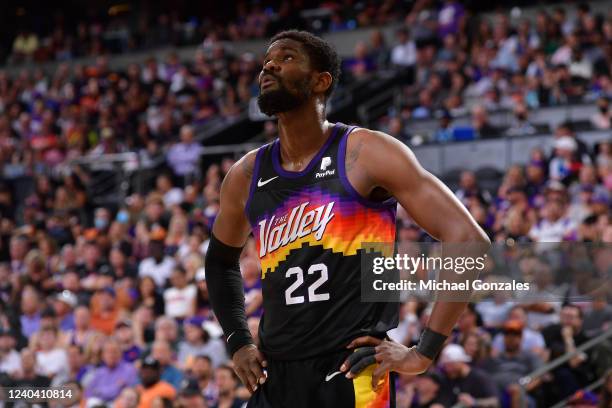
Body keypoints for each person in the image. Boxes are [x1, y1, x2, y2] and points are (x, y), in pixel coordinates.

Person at [205, 30, 489, 407]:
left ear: (321, 81)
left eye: (287, 57)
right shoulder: (245, 174)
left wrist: (424, 351)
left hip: (350, 371)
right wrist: (238, 340)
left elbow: (468, 240)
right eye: (267, 61)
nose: (269, 65)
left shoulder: (366, 152)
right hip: (276, 375)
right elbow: (220, 260)